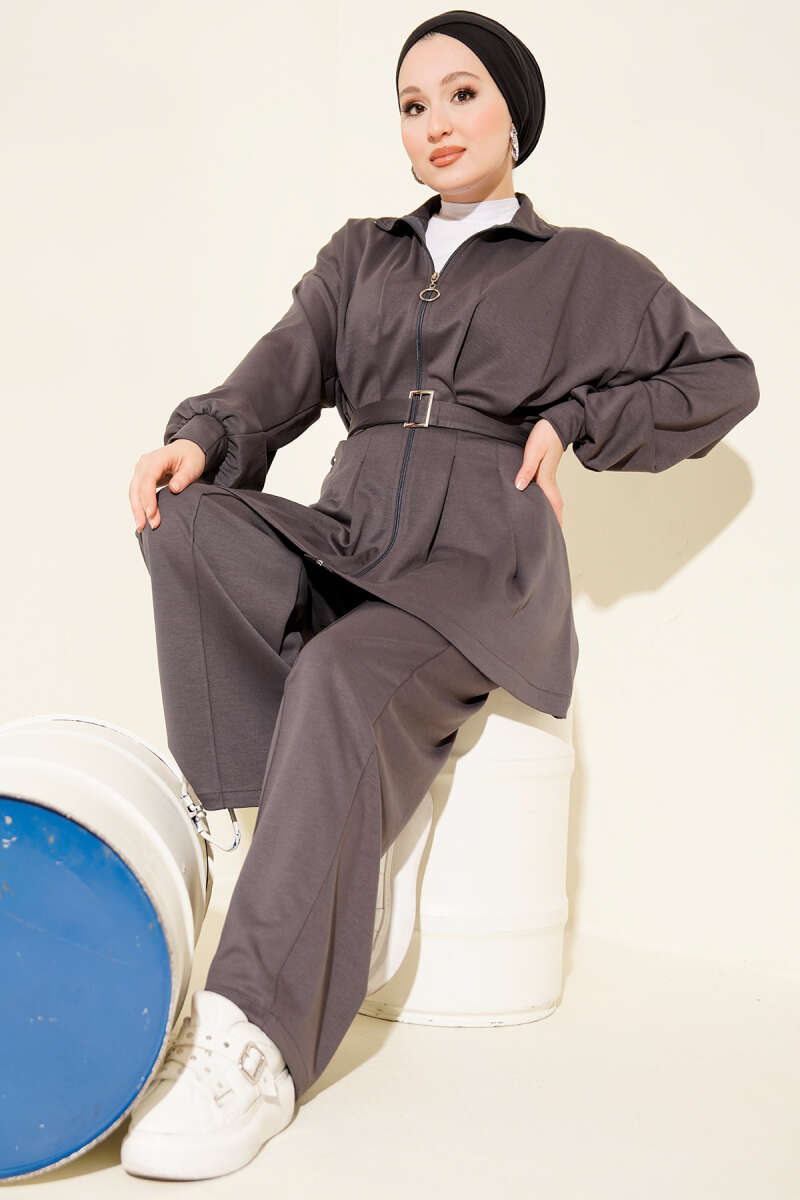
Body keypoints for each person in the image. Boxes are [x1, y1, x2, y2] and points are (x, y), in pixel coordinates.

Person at [121, 9, 760, 1181]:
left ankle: (253, 1038)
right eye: (412, 106)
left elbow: (720, 378)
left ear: (514, 112)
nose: (435, 124)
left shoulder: (584, 268)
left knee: (336, 670)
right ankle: (303, 841)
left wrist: (577, 420)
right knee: (185, 519)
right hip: (353, 536)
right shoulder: (359, 256)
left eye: (461, 95)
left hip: (474, 568)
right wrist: (203, 438)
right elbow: (280, 367)